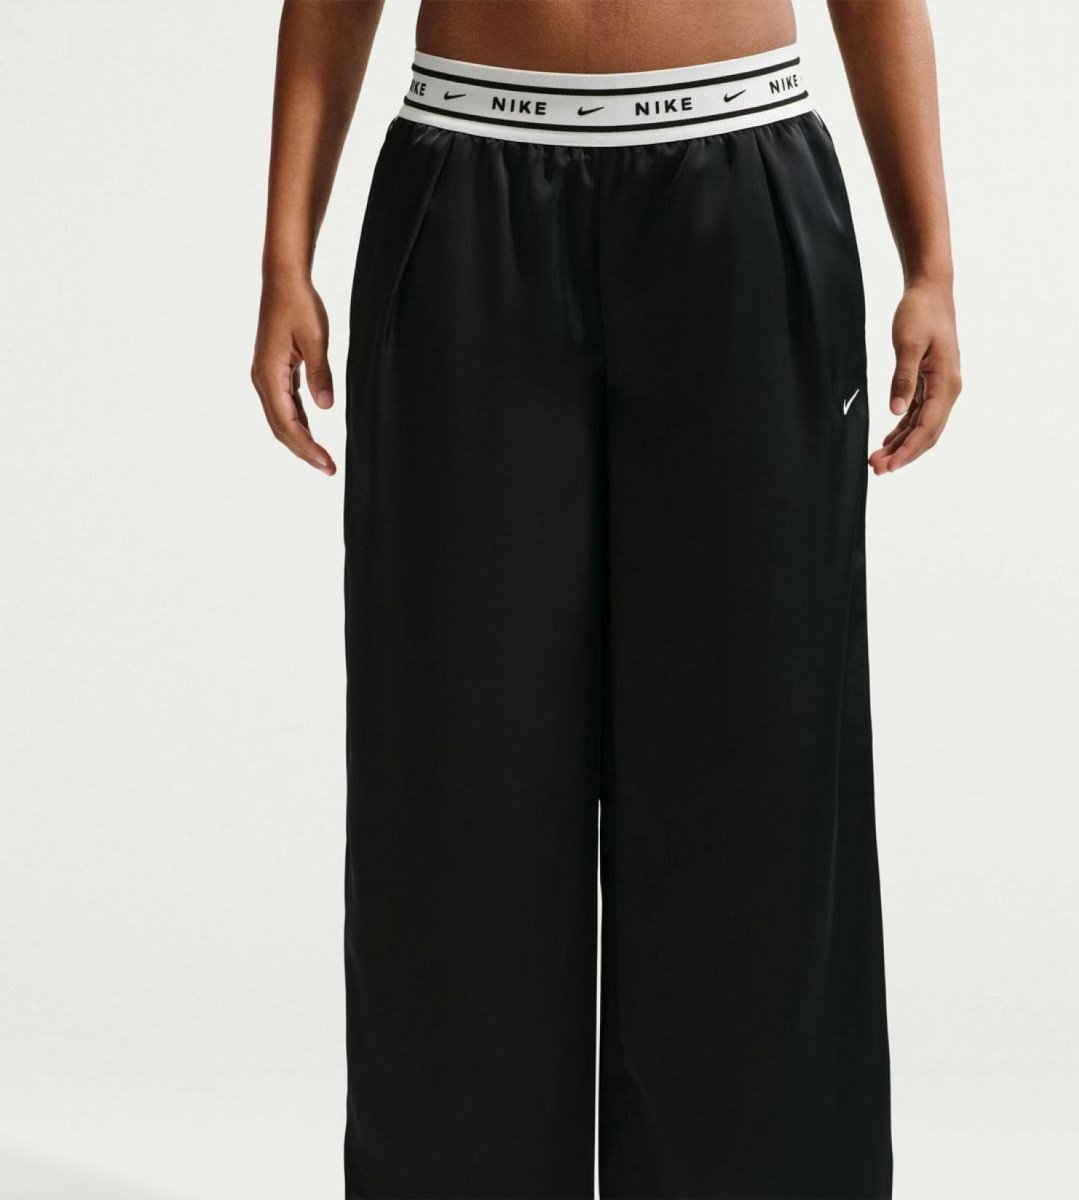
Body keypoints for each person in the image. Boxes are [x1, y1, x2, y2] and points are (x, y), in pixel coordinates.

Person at [250, 2, 961, 1196]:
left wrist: (930, 258)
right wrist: (286, 254)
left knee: (758, 778)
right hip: (466, 185)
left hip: (742, 189)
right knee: (456, 778)